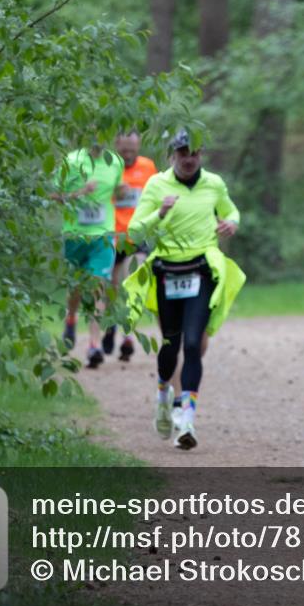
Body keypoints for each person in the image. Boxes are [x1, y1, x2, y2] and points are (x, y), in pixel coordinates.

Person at [124, 129, 245, 450]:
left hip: (201, 270)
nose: (189, 159)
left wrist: (231, 222)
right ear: (171, 156)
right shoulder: (156, 185)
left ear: (200, 154)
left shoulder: (214, 184)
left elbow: (230, 210)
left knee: (193, 344)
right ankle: (164, 392)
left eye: (194, 153)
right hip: (167, 270)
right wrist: (159, 213)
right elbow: (135, 231)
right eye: (182, 153)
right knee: (170, 345)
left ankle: (187, 419)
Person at [51, 143, 124, 369]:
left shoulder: (115, 161)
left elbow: (116, 191)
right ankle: (71, 318)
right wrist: (80, 193)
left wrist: (122, 191)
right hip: (75, 237)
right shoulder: (71, 160)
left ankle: (94, 345)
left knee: (97, 288)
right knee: (76, 287)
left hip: (102, 237)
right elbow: (54, 195)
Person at [103, 131, 158, 362]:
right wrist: (111, 192)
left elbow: (157, 194)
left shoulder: (148, 167)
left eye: (132, 150)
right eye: (124, 150)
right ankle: (110, 326)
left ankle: (127, 333)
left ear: (138, 146)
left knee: (133, 283)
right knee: (112, 288)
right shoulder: (107, 167)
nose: (128, 154)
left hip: (137, 236)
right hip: (112, 235)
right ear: (116, 144)